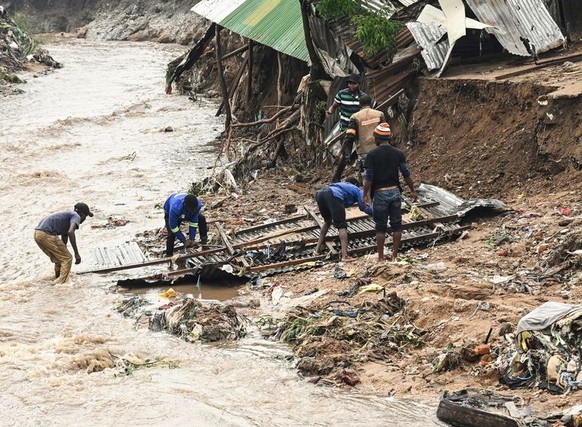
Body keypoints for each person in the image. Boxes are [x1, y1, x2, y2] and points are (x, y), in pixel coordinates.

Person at [363, 122, 417, 262]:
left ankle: (381, 257)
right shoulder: (398, 153)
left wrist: (365, 194)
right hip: (395, 193)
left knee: (380, 227)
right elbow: (406, 173)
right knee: (397, 225)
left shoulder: (372, 155)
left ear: (377, 139)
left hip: (380, 194)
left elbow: (369, 177)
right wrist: (412, 190)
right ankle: (394, 256)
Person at [314, 177, 373, 262]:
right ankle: (345, 255)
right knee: (342, 225)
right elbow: (363, 206)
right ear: (356, 185)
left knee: (327, 222)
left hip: (320, 194)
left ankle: (316, 250)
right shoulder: (357, 189)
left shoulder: (341, 186)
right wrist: (376, 213)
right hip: (333, 195)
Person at [34, 202, 93, 284]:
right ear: (82, 214)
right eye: (85, 217)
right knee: (67, 258)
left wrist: (63, 248)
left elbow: (65, 235)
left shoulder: (68, 216)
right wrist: (76, 253)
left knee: (60, 258)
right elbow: (70, 232)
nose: (83, 220)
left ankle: (57, 279)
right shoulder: (76, 216)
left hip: (38, 234)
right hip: (47, 234)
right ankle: (62, 284)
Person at [332, 94, 385, 182]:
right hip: (379, 148)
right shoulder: (379, 114)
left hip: (364, 150)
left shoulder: (355, 117)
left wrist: (341, 151)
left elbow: (349, 136)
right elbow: (385, 131)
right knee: (380, 171)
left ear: (360, 105)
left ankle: (367, 192)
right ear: (371, 103)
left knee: (367, 174)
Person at [163, 192, 208, 257]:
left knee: (201, 218)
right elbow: (173, 227)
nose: (193, 211)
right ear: (185, 205)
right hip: (171, 212)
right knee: (171, 234)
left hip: (185, 213)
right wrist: (184, 240)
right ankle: (169, 255)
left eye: (194, 209)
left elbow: (194, 223)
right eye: (191, 209)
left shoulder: (198, 206)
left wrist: (192, 239)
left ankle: (204, 241)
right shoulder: (175, 208)